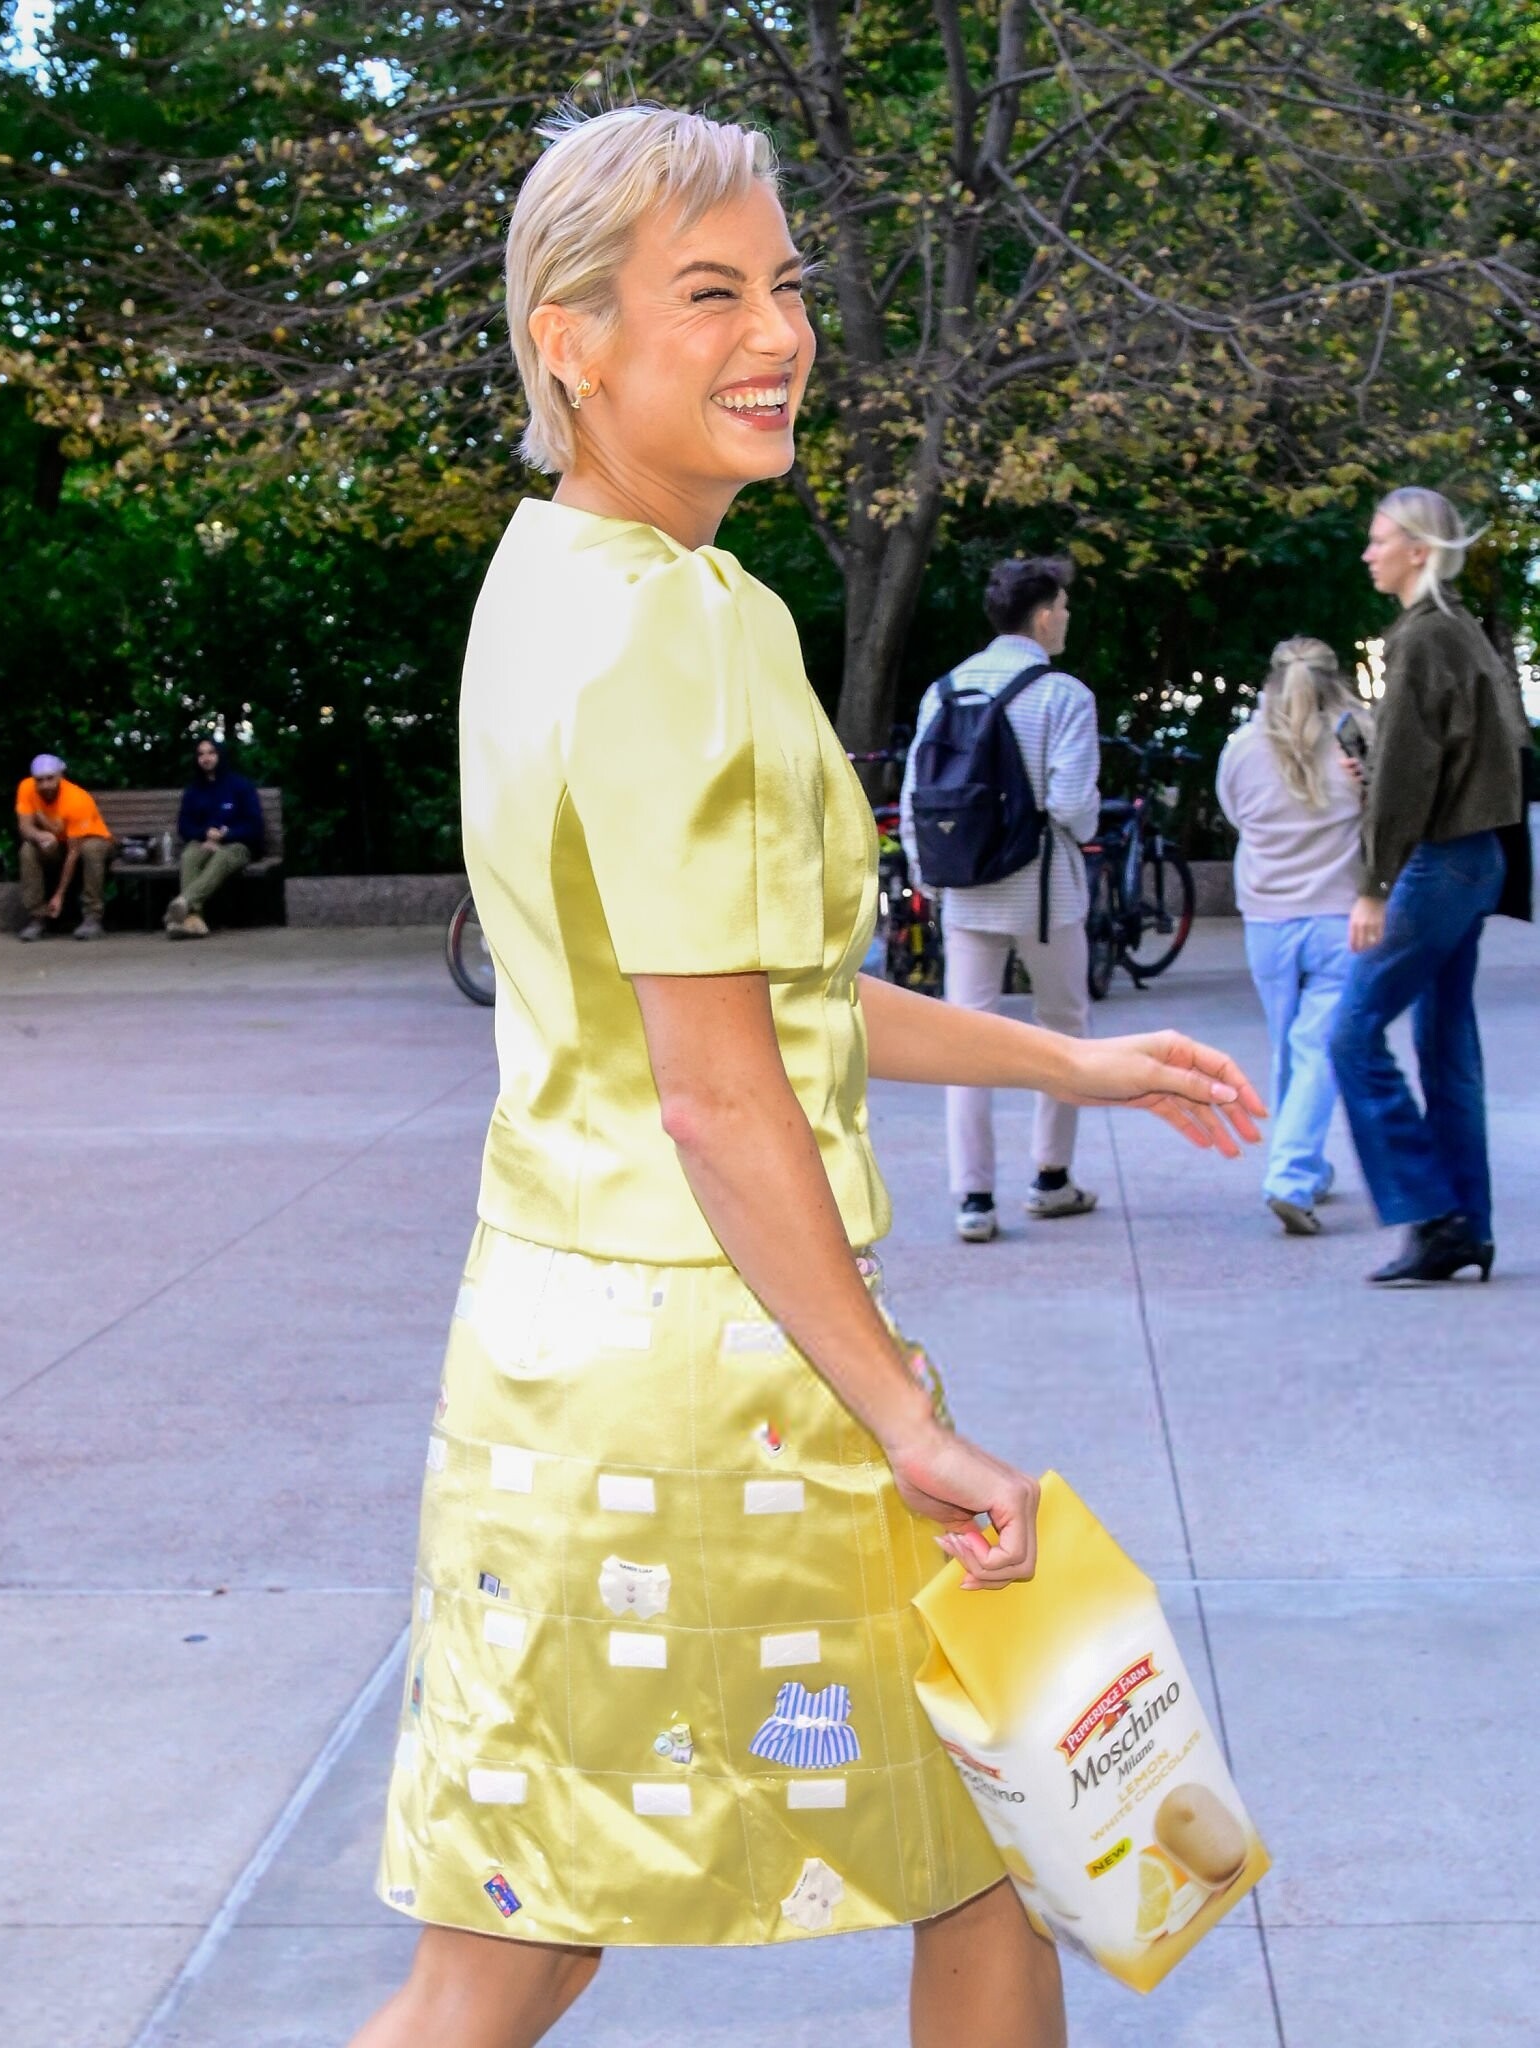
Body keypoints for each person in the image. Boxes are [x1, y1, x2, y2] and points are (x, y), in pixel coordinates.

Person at [349, 105, 1263, 2048]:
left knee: (521, 1938)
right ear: (571, 340)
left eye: (784, 285)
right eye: (709, 293)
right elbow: (714, 1089)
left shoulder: (548, 580)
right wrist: (905, 1418)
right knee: (975, 1849)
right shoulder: (682, 629)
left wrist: (1071, 1061)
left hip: (564, 1353)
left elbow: (769, 1006)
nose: (777, 333)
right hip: (726, 1377)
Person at [1329, 487, 1529, 1283]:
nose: (1368, 553)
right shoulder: (1463, 632)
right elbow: (1480, 754)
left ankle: (1433, 1213)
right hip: (1474, 860)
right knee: (1446, 1048)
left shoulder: (1421, 639)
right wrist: (1376, 764)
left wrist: (1373, 884)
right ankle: (1466, 1230)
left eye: (1380, 540)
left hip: (1440, 864)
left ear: (1418, 550)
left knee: (1351, 1034)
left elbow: (1410, 777)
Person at [899, 558, 1102, 1243]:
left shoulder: (945, 689)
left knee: (967, 1039)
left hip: (966, 888)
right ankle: (1051, 1178)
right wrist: (1083, 829)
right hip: (1044, 890)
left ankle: (974, 1198)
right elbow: (1071, 805)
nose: (1066, 618)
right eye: (1064, 608)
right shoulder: (1063, 695)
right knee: (1063, 1026)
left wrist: (930, 874)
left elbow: (918, 795)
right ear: (1042, 617)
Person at [1217, 638, 1368, 1236]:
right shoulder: (1358, 741)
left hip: (1267, 919)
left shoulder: (1241, 749)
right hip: (1339, 918)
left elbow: (1236, 816)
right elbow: (1383, 815)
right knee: (1317, 1051)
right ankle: (1292, 1175)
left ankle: (1303, 1166)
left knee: (1291, 1048)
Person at [164, 737, 265, 938]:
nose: (206, 758)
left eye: (211, 753)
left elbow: (254, 826)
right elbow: (184, 826)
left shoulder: (240, 785)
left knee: (222, 857)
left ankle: (184, 902)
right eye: (201, 754)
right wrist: (205, 834)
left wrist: (226, 835)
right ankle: (193, 921)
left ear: (220, 755)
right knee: (189, 856)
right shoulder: (193, 790)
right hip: (203, 842)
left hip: (237, 845)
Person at [14, 752, 114, 941]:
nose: (45, 785)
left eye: (50, 779)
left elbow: (73, 853)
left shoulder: (77, 799)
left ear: (61, 776)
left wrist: (59, 895)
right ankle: (37, 917)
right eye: (39, 780)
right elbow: (25, 826)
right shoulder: (26, 787)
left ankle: (92, 917)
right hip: (59, 844)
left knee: (91, 849)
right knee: (28, 850)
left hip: (89, 841)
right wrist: (40, 835)